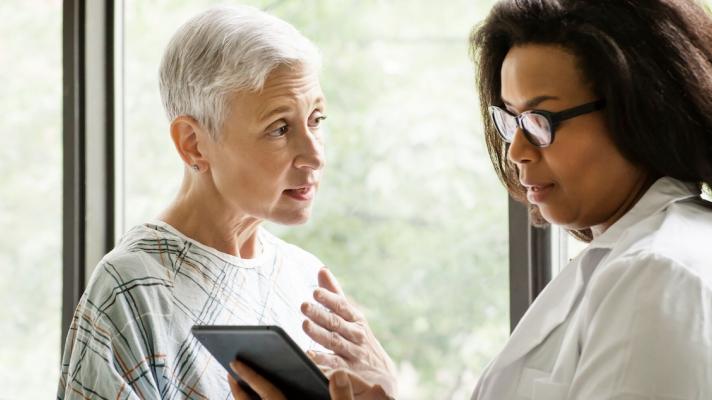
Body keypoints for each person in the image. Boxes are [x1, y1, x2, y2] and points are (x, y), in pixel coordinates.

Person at [229, 0, 712, 399]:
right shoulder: (632, 259)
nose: (517, 151)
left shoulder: (659, 277)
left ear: (640, 109)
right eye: (510, 121)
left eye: (542, 122)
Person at [57, 6, 329, 399]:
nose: (315, 155)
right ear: (193, 143)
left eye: (317, 119)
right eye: (280, 128)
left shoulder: (308, 281)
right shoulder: (133, 290)